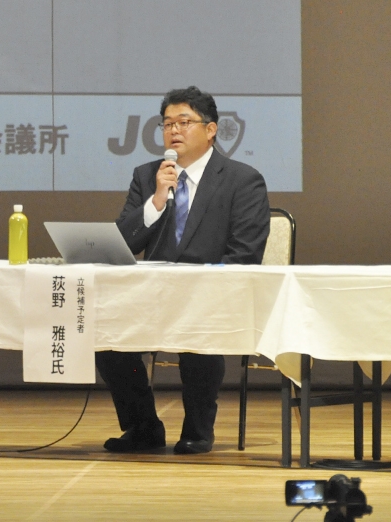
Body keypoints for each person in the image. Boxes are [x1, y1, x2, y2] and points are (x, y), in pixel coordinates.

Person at [96, 86, 270, 454]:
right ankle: (143, 427)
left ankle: (198, 430)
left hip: (211, 296)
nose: (174, 130)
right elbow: (122, 245)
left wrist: (203, 285)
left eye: (184, 122)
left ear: (211, 130)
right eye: (167, 123)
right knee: (107, 336)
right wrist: (156, 201)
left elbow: (246, 253)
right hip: (153, 295)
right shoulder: (148, 176)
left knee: (199, 333)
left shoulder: (242, 179)